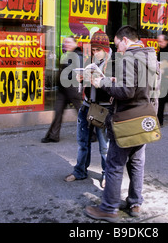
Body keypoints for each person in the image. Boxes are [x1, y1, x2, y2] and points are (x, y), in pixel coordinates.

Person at [84, 25, 157, 222]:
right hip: (144, 118)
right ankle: (135, 203)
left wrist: (103, 84)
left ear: (125, 40)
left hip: (126, 119)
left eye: (117, 45)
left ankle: (108, 208)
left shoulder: (129, 57)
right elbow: (150, 90)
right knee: (137, 162)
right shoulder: (150, 55)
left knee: (115, 163)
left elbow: (126, 92)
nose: (117, 50)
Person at [64, 30, 111, 187]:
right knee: (82, 142)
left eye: (98, 50)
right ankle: (80, 170)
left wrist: (102, 81)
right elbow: (86, 83)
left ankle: (106, 174)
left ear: (106, 48)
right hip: (86, 104)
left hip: (102, 109)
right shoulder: (90, 60)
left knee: (104, 146)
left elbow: (115, 87)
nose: (95, 52)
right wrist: (81, 78)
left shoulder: (114, 63)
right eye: (93, 49)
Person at [41, 36, 83, 143]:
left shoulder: (78, 56)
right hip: (63, 89)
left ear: (75, 43)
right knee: (58, 111)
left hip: (72, 88)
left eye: (69, 42)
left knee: (81, 112)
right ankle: (53, 135)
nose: (66, 44)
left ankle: (93, 133)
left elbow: (79, 72)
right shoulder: (67, 55)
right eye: (65, 43)